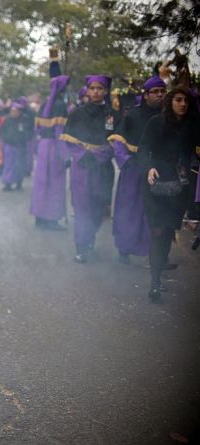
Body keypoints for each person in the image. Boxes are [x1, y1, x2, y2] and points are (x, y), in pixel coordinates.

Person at [140, 85, 197, 300]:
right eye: (178, 99)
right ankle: (154, 283)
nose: (182, 104)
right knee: (158, 230)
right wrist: (149, 167)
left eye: (186, 101)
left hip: (180, 185)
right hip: (155, 180)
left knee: (167, 233)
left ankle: (158, 276)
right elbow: (144, 148)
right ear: (170, 101)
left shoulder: (193, 126)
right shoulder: (156, 122)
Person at [60, 75, 120, 263]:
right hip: (82, 167)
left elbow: (116, 142)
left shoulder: (113, 114)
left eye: (99, 88)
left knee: (99, 207)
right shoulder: (77, 113)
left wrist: (100, 156)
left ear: (105, 91)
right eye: (92, 88)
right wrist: (82, 155)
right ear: (87, 90)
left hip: (103, 167)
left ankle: (90, 236)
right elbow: (68, 139)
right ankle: (81, 247)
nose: (95, 91)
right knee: (82, 207)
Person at [108, 75, 167, 263]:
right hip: (134, 170)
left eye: (162, 91)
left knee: (157, 213)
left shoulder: (167, 117)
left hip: (158, 170)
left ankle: (158, 256)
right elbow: (117, 141)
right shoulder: (132, 115)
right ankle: (124, 249)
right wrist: (126, 162)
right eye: (155, 92)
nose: (160, 95)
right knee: (129, 210)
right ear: (146, 95)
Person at [30, 74, 71, 230]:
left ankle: (40, 217)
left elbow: (37, 129)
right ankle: (52, 219)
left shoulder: (44, 105)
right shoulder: (61, 105)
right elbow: (60, 132)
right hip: (55, 147)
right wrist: (65, 155)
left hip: (43, 146)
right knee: (55, 183)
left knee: (41, 183)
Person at [0, 99, 33, 191]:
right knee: (9, 164)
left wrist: (23, 138)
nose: (13, 113)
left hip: (20, 146)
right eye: (12, 111)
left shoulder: (24, 120)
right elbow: (2, 131)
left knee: (19, 164)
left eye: (16, 111)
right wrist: (6, 139)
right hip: (9, 145)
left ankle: (19, 182)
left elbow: (29, 131)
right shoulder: (6, 119)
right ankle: (8, 183)